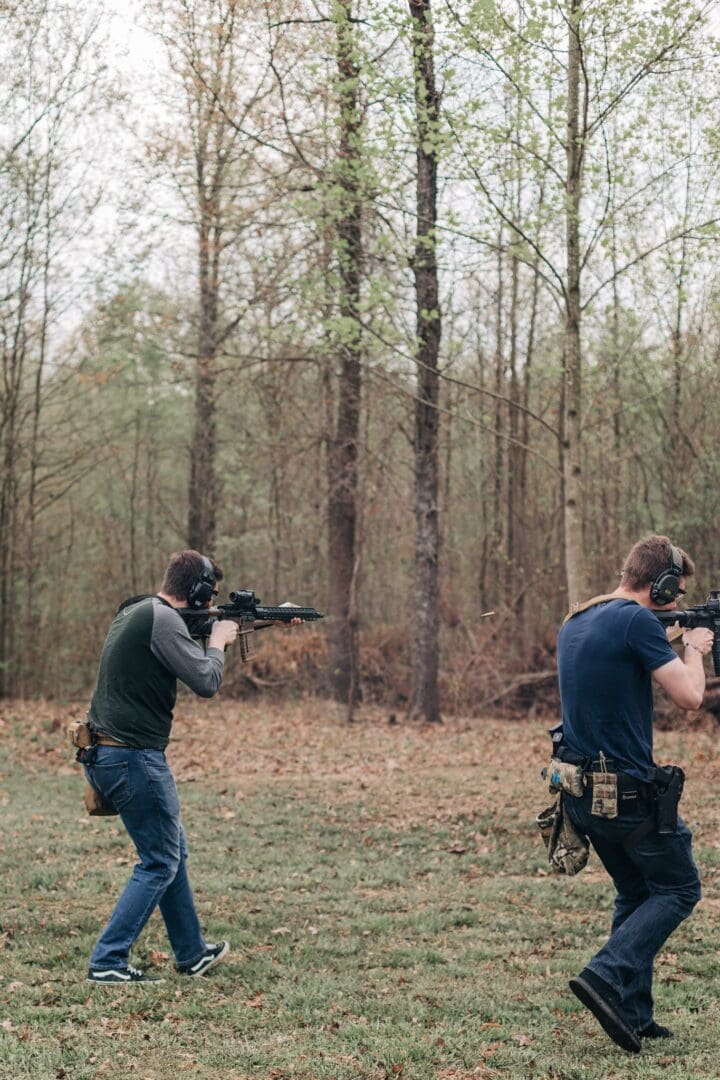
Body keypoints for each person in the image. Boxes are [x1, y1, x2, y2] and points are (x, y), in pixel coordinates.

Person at [555, 534, 713, 1052]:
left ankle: (632, 1012)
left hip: (581, 794)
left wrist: (667, 637)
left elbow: (619, 660)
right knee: (678, 888)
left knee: (637, 891)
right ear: (662, 585)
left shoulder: (581, 617)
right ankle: (606, 975)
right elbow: (690, 697)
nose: (680, 601)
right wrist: (694, 649)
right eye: (677, 591)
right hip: (625, 795)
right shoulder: (637, 621)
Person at [82, 550, 240, 984]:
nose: (210, 604)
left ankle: (191, 953)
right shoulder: (165, 620)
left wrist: (252, 623)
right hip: (133, 757)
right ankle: (107, 962)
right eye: (208, 596)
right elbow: (206, 681)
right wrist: (218, 641)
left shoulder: (137, 608)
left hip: (107, 753)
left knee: (171, 853)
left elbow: (182, 637)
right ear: (198, 591)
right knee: (159, 861)